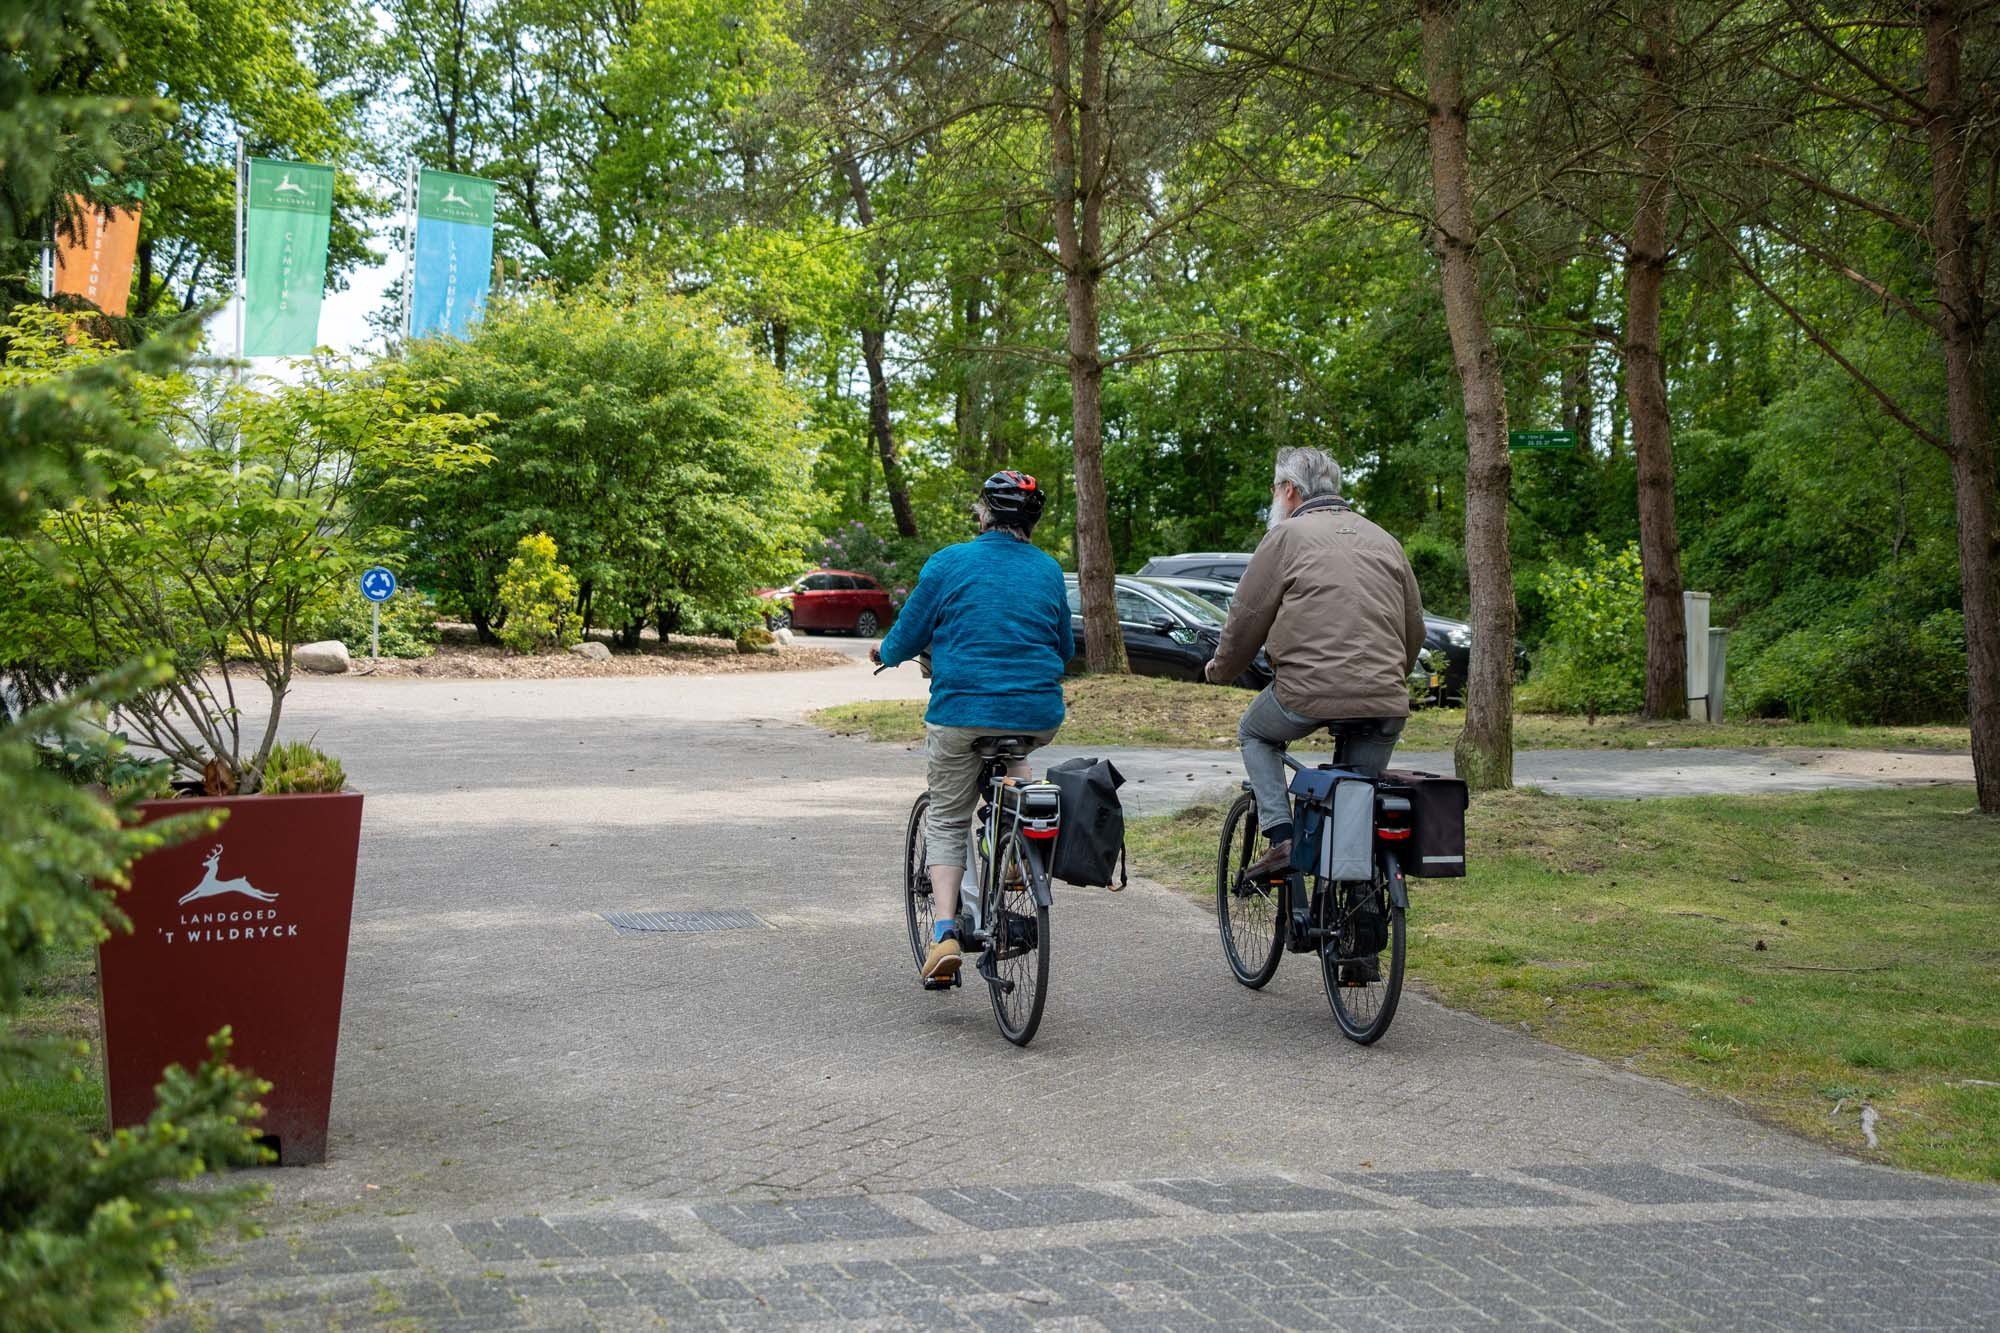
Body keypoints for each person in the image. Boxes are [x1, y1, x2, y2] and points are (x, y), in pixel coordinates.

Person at [872, 471, 1073, 985]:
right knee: (1016, 763)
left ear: (984, 514)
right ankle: (1014, 838)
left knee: (946, 817)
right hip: (1035, 714)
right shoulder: (1049, 571)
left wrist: (885, 653)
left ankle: (943, 935)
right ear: (1031, 522)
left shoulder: (949, 562)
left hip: (962, 712)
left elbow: (909, 631)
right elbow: (1065, 649)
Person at [1204, 446, 1425, 880]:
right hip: (1385, 699)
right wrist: (1388, 678)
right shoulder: (1384, 539)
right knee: (1358, 799)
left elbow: (1247, 617)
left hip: (1307, 694)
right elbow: (1413, 627)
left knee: (1254, 733)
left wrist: (1221, 670)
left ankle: (1281, 836)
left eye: (1275, 488)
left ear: (1289, 491)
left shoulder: (1285, 538)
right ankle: (1360, 919)